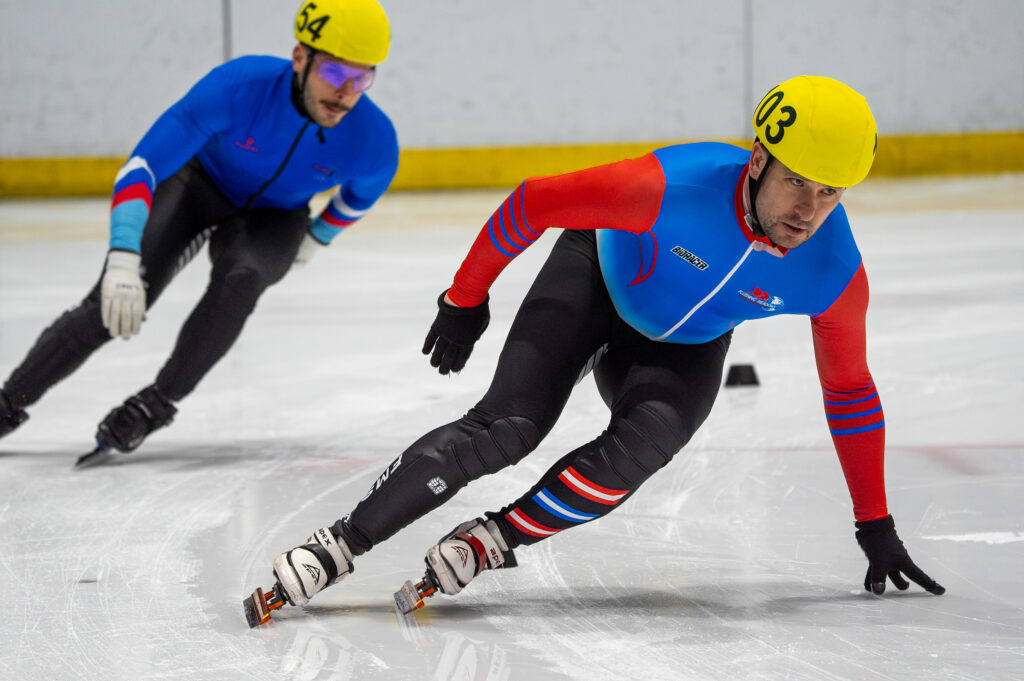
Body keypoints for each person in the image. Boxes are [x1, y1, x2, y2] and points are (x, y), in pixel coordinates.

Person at [267, 75, 944, 613]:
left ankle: (495, 537)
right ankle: (341, 543)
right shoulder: (671, 186)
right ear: (759, 158)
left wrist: (873, 520)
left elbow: (850, 391)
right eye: (797, 180)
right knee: (508, 426)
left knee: (645, 445)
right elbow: (532, 202)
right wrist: (464, 298)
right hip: (595, 278)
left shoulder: (831, 269)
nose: (808, 210)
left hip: (681, 345)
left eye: (830, 194)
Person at [0, 0, 399, 456]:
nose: (345, 92)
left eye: (360, 78)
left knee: (242, 280)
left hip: (276, 217)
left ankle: (156, 403)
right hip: (198, 185)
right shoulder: (237, 87)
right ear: (299, 58)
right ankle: (7, 402)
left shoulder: (374, 139)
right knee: (111, 305)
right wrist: (123, 256)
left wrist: (316, 237)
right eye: (333, 73)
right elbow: (143, 168)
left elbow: (361, 195)